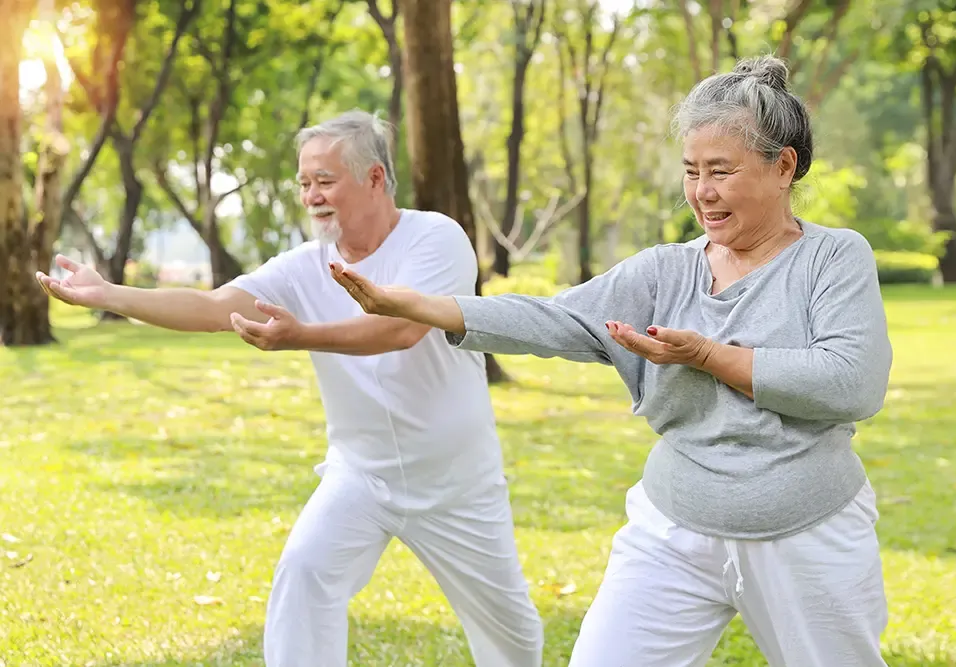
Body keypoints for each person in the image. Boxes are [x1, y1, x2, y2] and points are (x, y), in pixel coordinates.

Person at [330, 57, 894, 667]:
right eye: (691, 172)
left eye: (721, 172)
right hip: (673, 528)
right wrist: (428, 306)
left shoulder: (832, 258)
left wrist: (708, 355)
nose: (701, 192)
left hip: (806, 532)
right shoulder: (664, 270)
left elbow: (850, 383)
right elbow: (558, 318)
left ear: (783, 166)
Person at [35, 110, 544, 667]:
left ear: (375, 178)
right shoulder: (305, 265)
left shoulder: (436, 238)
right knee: (304, 573)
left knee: (512, 640)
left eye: (325, 181)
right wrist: (107, 294)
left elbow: (402, 327)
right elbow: (211, 307)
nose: (311, 196)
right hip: (363, 476)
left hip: (456, 481)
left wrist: (301, 335)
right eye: (304, 182)